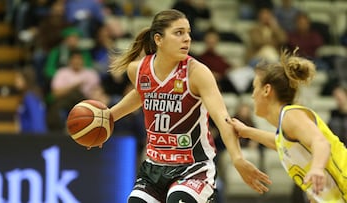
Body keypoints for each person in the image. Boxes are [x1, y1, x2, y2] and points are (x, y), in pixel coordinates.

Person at [108, 9, 271, 202]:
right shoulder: (138, 70)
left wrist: (237, 158)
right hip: (153, 167)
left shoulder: (197, 72)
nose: (187, 39)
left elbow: (222, 118)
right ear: (158, 39)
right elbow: (142, 94)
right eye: (179, 33)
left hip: (193, 168)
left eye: (188, 33)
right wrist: (107, 118)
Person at [230, 48, 347, 203]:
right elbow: (280, 142)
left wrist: (317, 169)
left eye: (254, 87)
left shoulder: (291, 115)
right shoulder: (287, 125)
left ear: (266, 90)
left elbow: (321, 143)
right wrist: (246, 131)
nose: (252, 95)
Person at [15, 67, 48, 134]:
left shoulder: (30, 97)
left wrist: (35, 141)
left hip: (32, 138)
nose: (16, 81)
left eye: (19, 78)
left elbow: (37, 122)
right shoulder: (30, 96)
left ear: (26, 80)